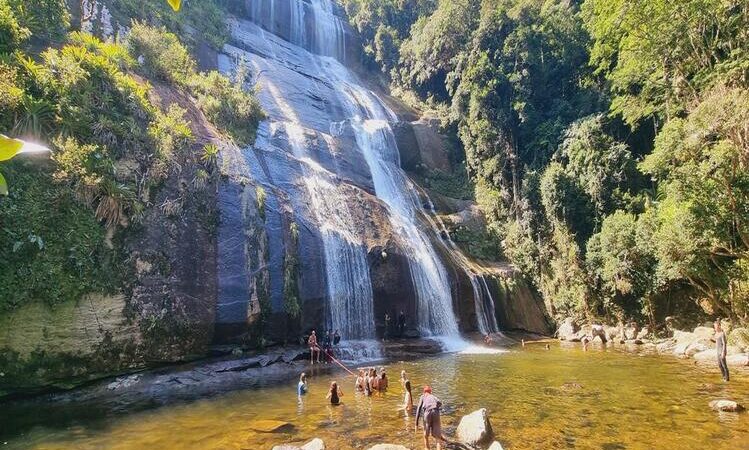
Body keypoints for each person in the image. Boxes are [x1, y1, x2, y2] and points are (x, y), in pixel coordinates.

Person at [415, 386, 447, 450]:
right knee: (437, 438)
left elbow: (418, 409)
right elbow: (440, 403)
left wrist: (416, 423)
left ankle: (427, 448)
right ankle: (439, 438)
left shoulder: (422, 396)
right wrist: (436, 408)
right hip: (436, 412)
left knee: (426, 435)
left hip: (427, 413)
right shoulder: (433, 396)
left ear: (424, 392)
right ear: (430, 392)